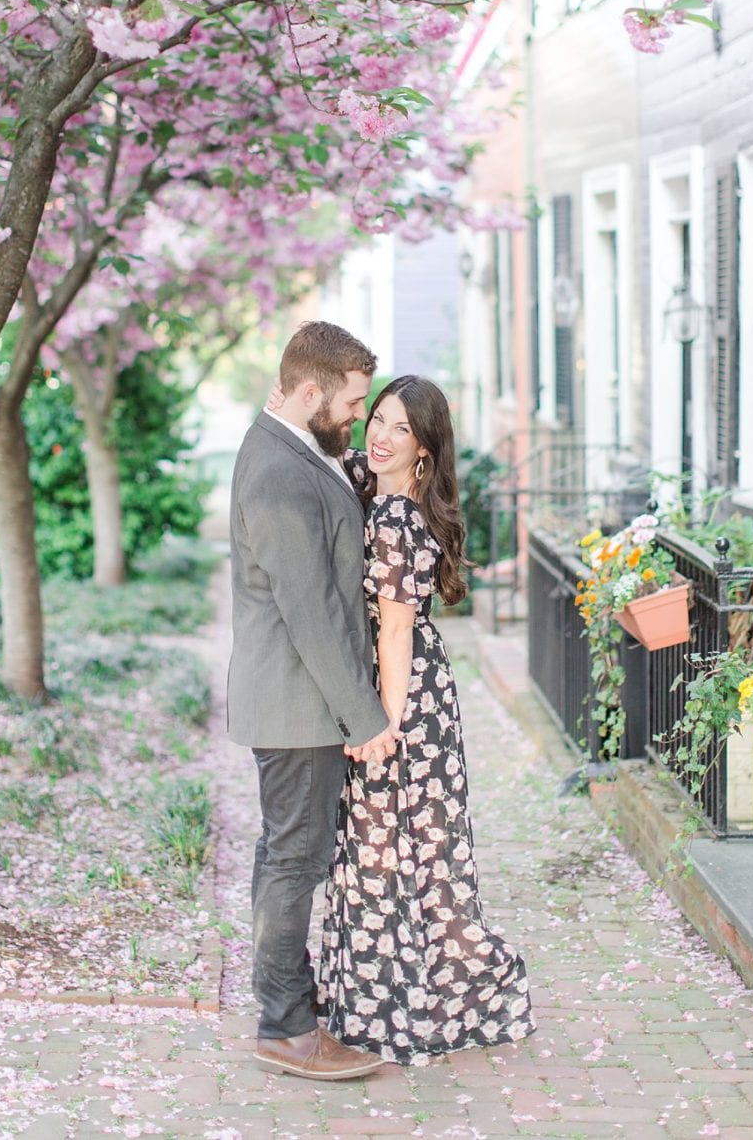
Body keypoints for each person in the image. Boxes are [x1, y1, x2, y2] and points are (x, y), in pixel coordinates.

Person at [309, 374, 536, 1062]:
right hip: (405, 686)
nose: (379, 434)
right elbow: (323, 451)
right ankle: (382, 995)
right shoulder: (372, 485)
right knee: (399, 852)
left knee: (399, 852)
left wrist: (384, 730)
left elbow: (396, 634)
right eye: (376, 417)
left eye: (400, 429)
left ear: (426, 451)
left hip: (402, 697)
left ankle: (426, 996)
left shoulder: (398, 521)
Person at [228, 321, 398, 1082]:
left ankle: (289, 1011)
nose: (356, 420)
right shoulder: (277, 472)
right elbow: (313, 612)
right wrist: (368, 717)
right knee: (293, 863)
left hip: (302, 703)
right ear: (307, 391)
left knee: (287, 858)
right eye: (351, 404)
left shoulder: (299, 453)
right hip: (299, 706)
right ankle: (286, 1029)